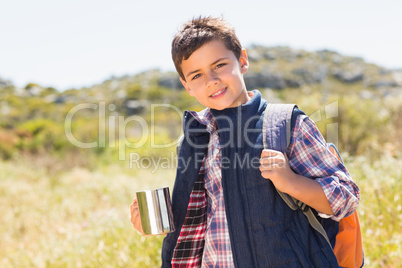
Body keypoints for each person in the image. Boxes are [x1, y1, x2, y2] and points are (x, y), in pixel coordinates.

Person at [131, 16, 360, 267]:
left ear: (242, 60)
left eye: (219, 65)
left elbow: (346, 198)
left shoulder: (285, 124)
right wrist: (154, 221)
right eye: (196, 75)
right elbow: (199, 219)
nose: (211, 80)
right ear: (186, 86)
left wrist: (292, 182)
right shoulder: (193, 139)